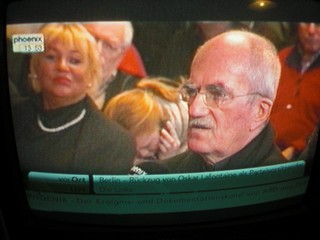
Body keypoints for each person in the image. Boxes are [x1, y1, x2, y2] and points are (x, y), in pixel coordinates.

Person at [151, 30, 288, 173]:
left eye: (217, 94)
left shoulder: (281, 186)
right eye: (192, 91)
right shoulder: (161, 175)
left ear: (260, 111)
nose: (194, 109)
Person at [11, 23, 136, 178]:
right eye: (51, 57)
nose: (62, 67)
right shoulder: (15, 113)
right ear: (36, 67)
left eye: (74, 60)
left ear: (91, 73)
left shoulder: (115, 142)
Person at [103, 77, 188, 166]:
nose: (143, 154)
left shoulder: (193, 131)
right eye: (135, 152)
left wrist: (170, 161)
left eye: (148, 146)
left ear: (166, 128)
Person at [270, 22, 320, 160]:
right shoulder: (281, 58)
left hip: (304, 156)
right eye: (305, 23)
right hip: (265, 148)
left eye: (318, 24)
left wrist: (295, 150)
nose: (311, 30)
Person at [83, 21, 147, 110]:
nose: (96, 51)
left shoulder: (131, 95)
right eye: (91, 38)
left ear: (122, 55)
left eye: (108, 46)